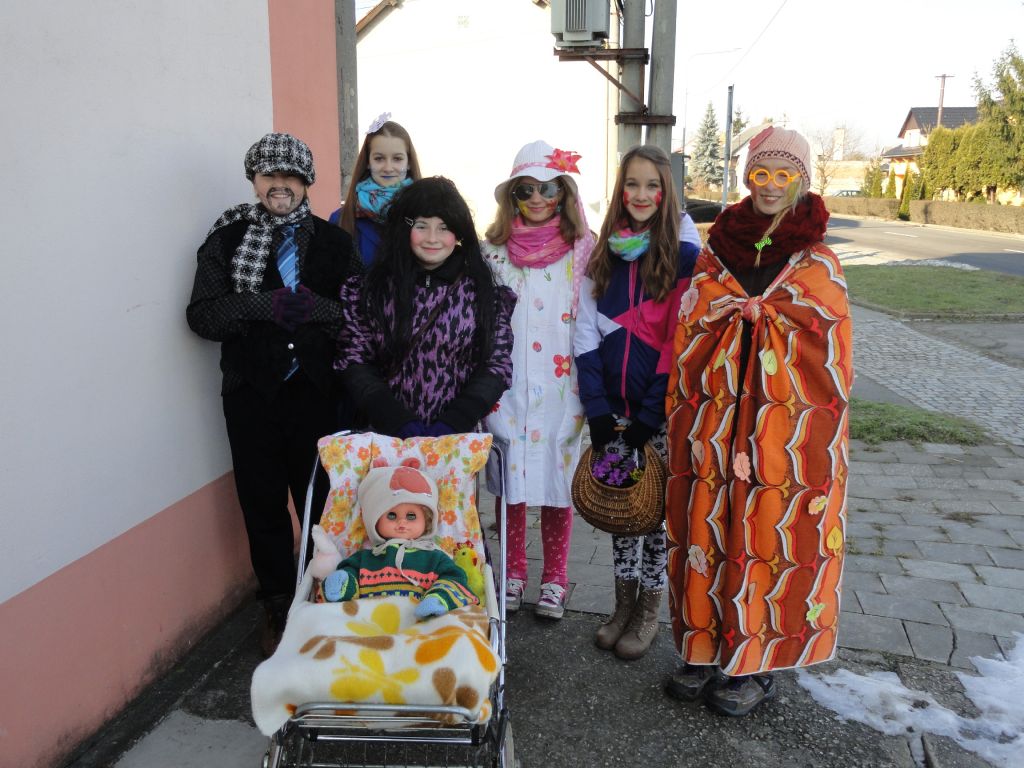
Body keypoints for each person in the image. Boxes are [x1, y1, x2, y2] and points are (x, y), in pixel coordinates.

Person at [663, 126, 852, 716]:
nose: (770, 186)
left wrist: (764, 317)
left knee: (769, 532)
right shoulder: (719, 246)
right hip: (714, 417)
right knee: (705, 527)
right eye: (760, 173)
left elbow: (828, 339)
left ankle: (758, 662)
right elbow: (694, 316)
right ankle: (701, 648)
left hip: (781, 427)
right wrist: (735, 314)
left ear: (801, 180)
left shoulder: (817, 256)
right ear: (747, 177)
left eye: (783, 175)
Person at [186, 133, 361, 657]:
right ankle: (278, 604)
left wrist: (316, 310)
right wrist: (264, 305)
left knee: (322, 502)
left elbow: (359, 316)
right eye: (269, 175)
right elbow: (202, 316)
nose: (279, 185)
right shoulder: (226, 239)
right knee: (261, 502)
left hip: (317, 395)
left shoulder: (334, 244)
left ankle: (324, 595)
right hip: (251, 396)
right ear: (254, 180)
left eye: (290, 176)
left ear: (306, 183)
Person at [574, 145, 700, 659]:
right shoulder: (603, 253)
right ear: (620, 190)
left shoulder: (683, 256)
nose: (641, 194)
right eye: (632, 184)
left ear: (667, 192)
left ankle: (648, 611)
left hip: (656, 414)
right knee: (622, 508)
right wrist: (598, 410)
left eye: (653, 185)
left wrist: (650, 415)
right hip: (613, 411)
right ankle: (621, 606)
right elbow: (585, 332)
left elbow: (676, 341)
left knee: (654, 515)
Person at [481, 140, 594, 620]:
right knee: (511, 482)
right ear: (512, 195)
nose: (537, 198)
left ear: (563, 192)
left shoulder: (582, 250)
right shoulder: (492, 253)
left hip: (561, 388)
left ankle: (555, 579)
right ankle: (513, 573)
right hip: (507, 388)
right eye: (525, 189)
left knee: (556, 481)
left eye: (547, 188)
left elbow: (592, 318)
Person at [335, 176, 516, 438]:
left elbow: (496, 366)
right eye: (421, 226)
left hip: (458, 442)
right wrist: (397, 420)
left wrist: (454, 421)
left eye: (444, 228)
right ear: (404, 228)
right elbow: (354, 360)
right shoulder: (369, 291)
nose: (432, 238)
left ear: (459, 233)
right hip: (385, 440)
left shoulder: (485, 295)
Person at [321, 466, 477, 618]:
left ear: (427, 520)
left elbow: (455, 579)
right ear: (374, 520)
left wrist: (439, 599)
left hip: (419, 623)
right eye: (392, 515)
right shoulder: (367, 557)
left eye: (411, 516)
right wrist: (343, 583)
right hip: (370, 621)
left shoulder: (434, 557)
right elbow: (350, 576)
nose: (402, 522)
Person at [331, 114, 422, 266]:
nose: (388, 167)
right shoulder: (341, 219)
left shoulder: (426, 213)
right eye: (379, 158)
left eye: (397, 159)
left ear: (409, 163)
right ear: (368, 162)